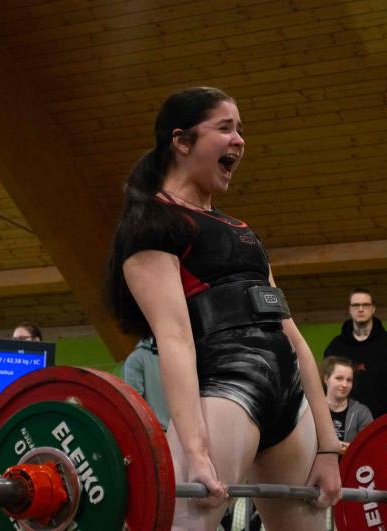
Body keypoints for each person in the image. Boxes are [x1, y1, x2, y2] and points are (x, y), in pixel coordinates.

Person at [106, 87, 341, 530]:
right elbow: (175, 338)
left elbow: (291, 335)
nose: (239, 140)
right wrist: (195, 451)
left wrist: (328, 448)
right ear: (182, 141)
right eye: (225, 128)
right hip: (226, 392)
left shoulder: (241, 230)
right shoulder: (152, 222)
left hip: (290, 404)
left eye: (241, 130)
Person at [323, 288, 387, 418]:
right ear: (349, 309)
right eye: (356, 305)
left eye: (365, 305)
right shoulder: (336, 346)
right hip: (344, 419)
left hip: (383, 418)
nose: (361, 309)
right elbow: (325, 383)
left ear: (373, 308)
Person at [320, 357, 373, 454]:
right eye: (339, 378)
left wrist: (332, 446)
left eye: (349, 380)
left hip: (349, 464)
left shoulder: (362, 412)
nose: (344, 384)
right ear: (326, 379)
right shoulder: (313, 409)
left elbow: (369, 448)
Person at [122, 337, 171, 431]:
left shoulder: (135, 359)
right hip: (165, 431)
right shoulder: (136, 359)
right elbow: (134, 403)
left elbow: (132, 404)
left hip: (167, 431)